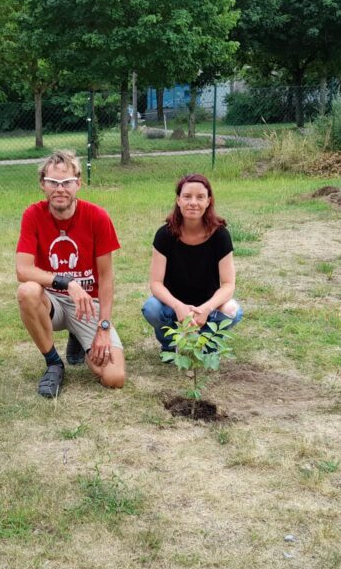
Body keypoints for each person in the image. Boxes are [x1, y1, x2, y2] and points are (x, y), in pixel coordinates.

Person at [16, 151, 126, 398]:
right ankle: (54, 363)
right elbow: (23, 270)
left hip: (86, 305)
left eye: (66, 182)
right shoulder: (33, 215)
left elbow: (106, 278)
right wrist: (68, 283)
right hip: (52, 301)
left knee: (113, 377)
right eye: (53, 182)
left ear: (79, 183)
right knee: (27, 291)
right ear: (42, 185)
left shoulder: (97, 217)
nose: (60, 189)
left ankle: (79, 335)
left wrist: (104, 328)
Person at [142, 173, 242, 354]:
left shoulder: (220, 235)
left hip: (208, 304)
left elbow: (228, 284)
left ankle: (209, 346)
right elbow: (156, 283)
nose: (193, 202)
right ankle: (169, 345)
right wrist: (178, 306)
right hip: (173, 305)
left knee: (233, 311)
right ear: (178, 200)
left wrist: (206, 308)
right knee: (152, 308)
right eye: (187, 196)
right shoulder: (164, 235)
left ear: (208, 201)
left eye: (200, 197)